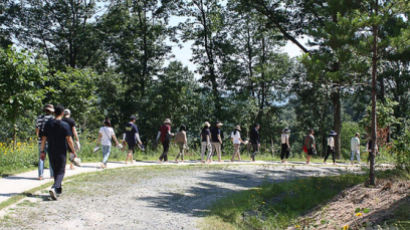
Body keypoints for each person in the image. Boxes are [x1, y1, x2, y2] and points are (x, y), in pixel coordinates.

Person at [40, 105, 76, 200]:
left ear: (54, 112)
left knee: (56, 169)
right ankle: (54, 187)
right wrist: (73, 150)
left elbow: (43, 139)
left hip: (51, 150)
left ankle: (58, 189)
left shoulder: (48, 123)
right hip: (61, 151)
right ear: (62, 113)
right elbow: (69, 139)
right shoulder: (64, 125)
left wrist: (42, 151)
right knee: (61, 171)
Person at [36, 104, 54, 180]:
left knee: (41, 158)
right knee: (51, 159)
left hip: (41, 142)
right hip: (51, 142)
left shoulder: (39, 118)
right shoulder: (53, 119)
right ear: (51, 111)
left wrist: (38, 138)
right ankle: (52, 175)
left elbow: (37, 130)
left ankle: (40, 175)